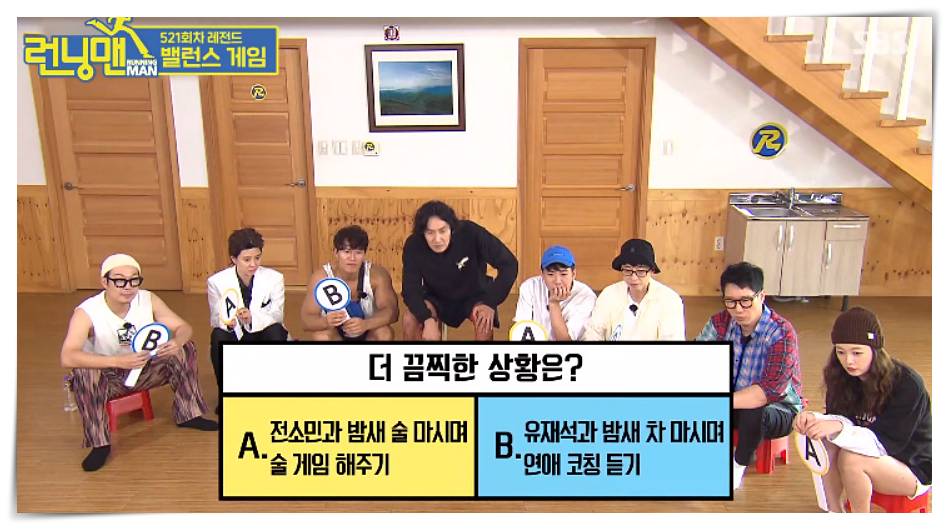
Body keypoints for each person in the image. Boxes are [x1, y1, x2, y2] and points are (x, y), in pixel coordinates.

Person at [60, 254, 217, 472]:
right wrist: (117, 361)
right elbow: (67, 356)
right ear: (105, 282)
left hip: (145, 370)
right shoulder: (86, 311)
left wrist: (177, 341)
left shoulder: (147, 299)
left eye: (134, 280)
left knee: (185, 348)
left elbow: (183, 327)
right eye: (120, 281)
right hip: (109, 378)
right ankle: (99, 444)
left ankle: (188, 414)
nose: (128, 287)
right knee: (84, 372)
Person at [792, 307, 932, 513]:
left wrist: (838, 426)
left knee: (851, 459)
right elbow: (840, 419)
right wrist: (813, 420)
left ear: (875, 350)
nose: (848, 361)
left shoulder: (908, 385)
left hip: (910, 465)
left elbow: (885, 444)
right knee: (823, 441)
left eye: (857, 353)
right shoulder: (841, 376)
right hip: (869, 452)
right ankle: (834, 511)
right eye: (841, 352)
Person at [695, 261, 803, 490]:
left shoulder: (781, 332)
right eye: (730, 302)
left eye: (745, 301)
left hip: (777, 409)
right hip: (732, 401)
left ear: (761, 296)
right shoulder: (720, 323)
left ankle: (737, 465)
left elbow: (768, 391)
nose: (738, 310)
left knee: (756, 409)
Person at [401, 200, 518, 341]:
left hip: (474, 295)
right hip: (435, 297)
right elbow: (410, 290)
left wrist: (490, 302)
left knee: (484, 320)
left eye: (442, 231)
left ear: (452, 228)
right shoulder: (414, 245)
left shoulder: (471, 232)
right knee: (410, 319)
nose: (437, 239)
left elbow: (509, 264)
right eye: (430, 233)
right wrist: (427, 319)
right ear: (422, 233)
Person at [207, 228, 288, 413]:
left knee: (276, 331)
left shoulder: (275, 279)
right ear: (234, 259)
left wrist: (253, 318)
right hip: (235, 333)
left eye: (257, 258)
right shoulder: (216, 282)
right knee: (218, 336)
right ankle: (227, 396)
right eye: (247, 259)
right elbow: (215, 317)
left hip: (261, 330)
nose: (253, 264)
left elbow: (277, 314)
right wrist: (226, 322)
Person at [301, 225, 398, 341]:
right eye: (346, 252)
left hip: (368, 331)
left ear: (365, 254)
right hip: (334, 334)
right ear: (336, 252)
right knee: (320, 336)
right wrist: (326, 322)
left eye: (358, 252)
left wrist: (366, 324)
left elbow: (391, 312)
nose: (352, 258)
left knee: (384, 333)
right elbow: (306, 320)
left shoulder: (377, 275)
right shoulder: (321, 277)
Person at [581, 238, 685, 341]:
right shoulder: (609, 294)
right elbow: (593, 332)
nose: (633, 278)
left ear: (652, 271)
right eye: (627, 270)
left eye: (640, 271)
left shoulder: (669, 300)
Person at [513, 245, 596, 341]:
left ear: (573, 274)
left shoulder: (586, 296)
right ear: (542, 274)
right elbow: (521, 330)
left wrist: (554, 304)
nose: (557, 281)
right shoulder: (530, 287)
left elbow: (565, 342)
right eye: (551, 274)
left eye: (563, 274)